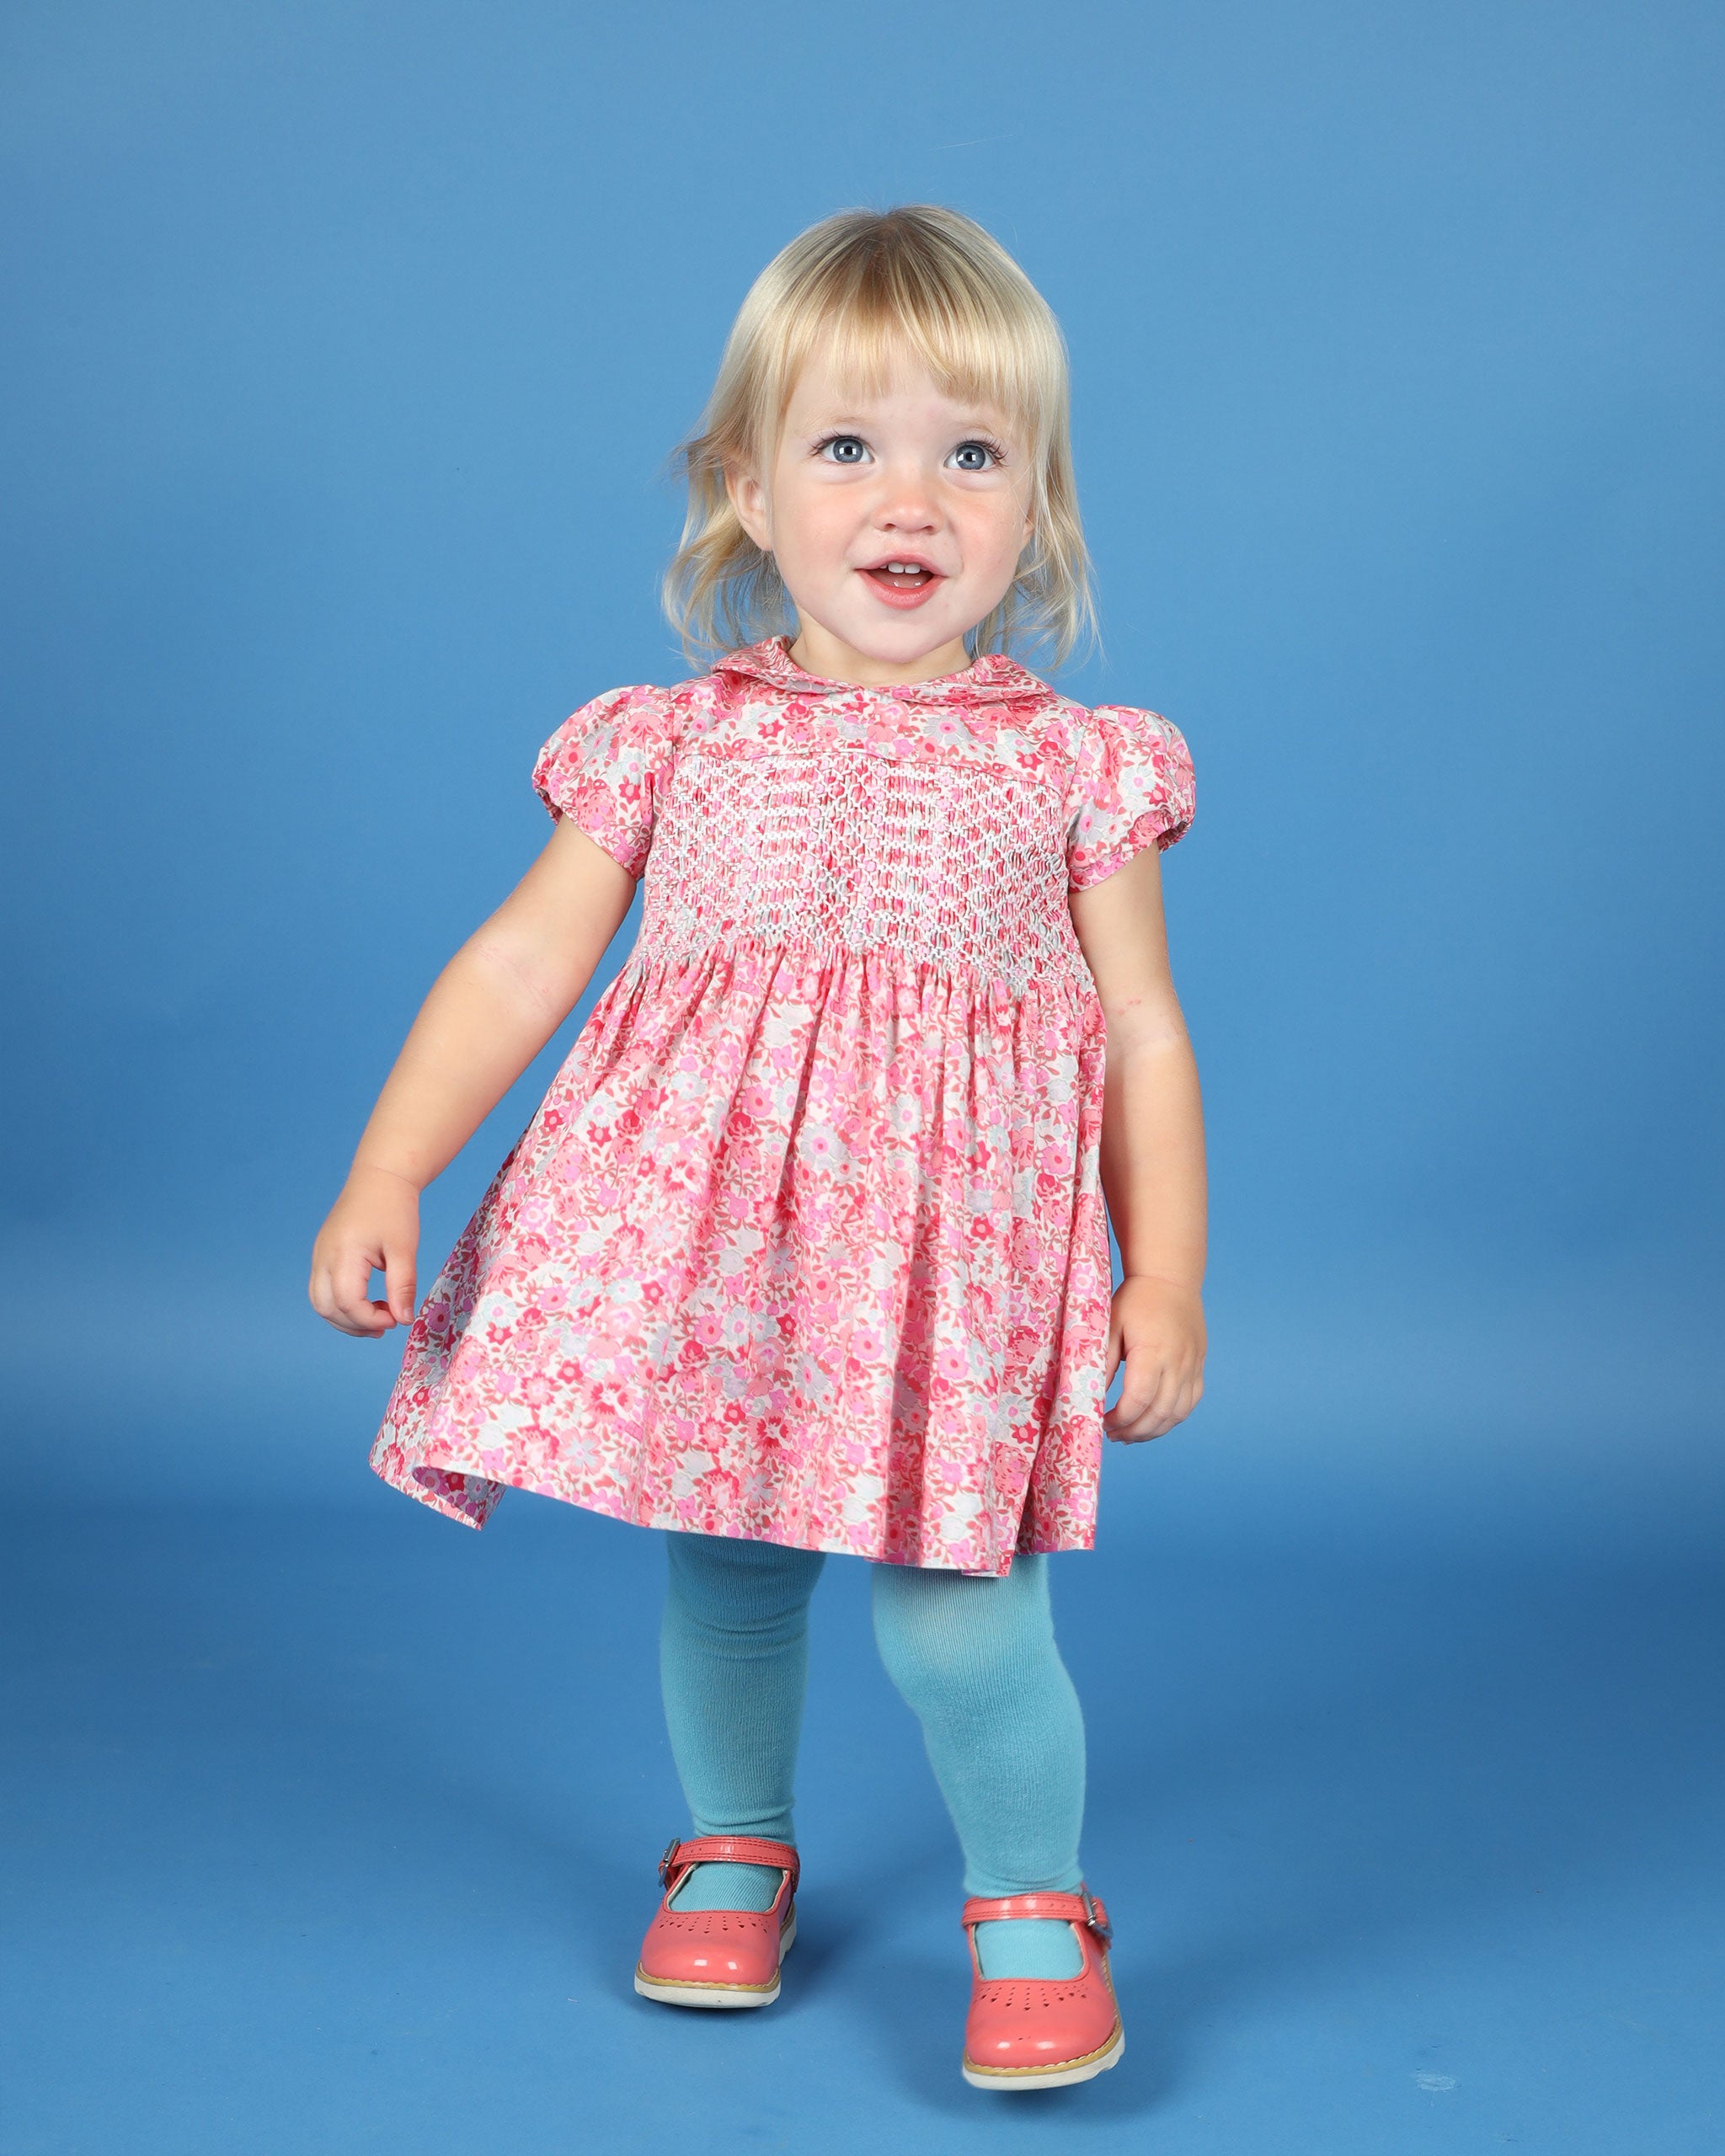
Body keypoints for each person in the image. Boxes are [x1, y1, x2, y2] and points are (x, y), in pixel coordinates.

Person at [308, 204, 1205, 2093]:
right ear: (745, 483)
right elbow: (525, 954)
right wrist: (391, 1160)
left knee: (964, 1616)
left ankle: (1030, 1893)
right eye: (848, 445)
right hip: (727, 1248)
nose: (913, 498)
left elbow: (1138, 1027)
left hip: (953, 1260)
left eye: (972, 451)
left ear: (1036, 500)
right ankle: (735, 1837)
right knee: (727, 1569)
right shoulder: (669, 739)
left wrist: (1167, 1271)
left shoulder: (1077, 764)